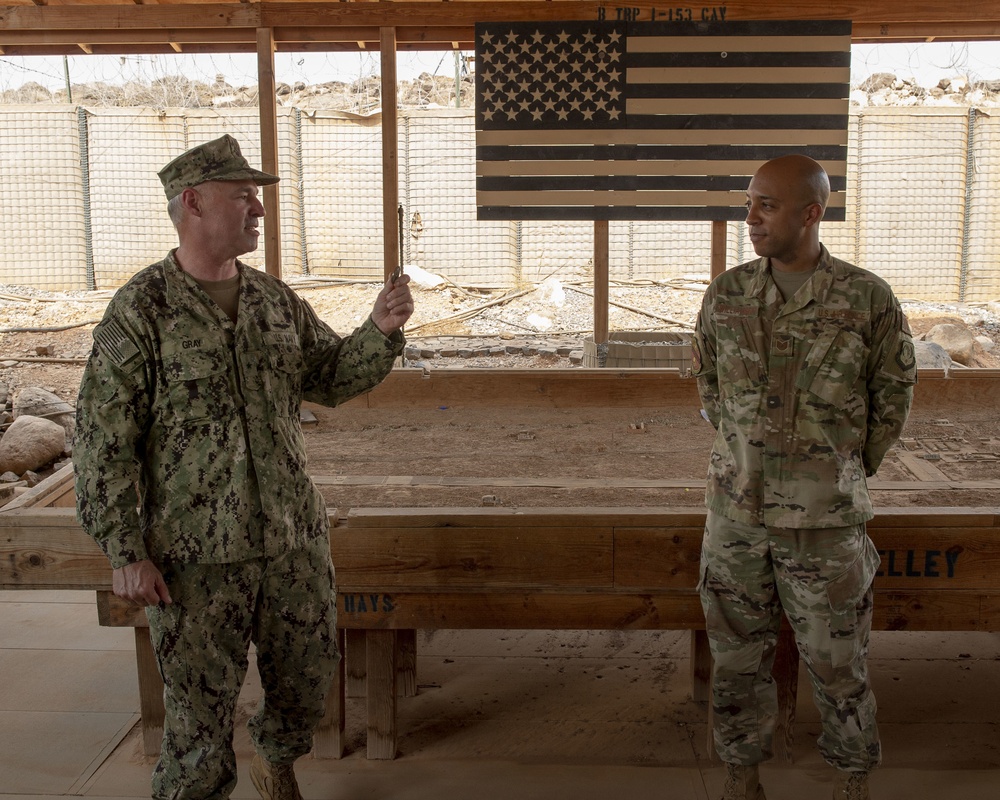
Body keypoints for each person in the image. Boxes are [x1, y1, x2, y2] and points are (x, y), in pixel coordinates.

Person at [73, 133, 413, 800]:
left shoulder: (272, 300)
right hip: (195, 560)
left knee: (308, 679)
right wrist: (124, 549)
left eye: (258, 198)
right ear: (193, 203)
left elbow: (331, 377)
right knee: (198, 723)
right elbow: (102, 440)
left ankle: (276, 759)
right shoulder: (141, 310)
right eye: (243, 197)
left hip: (291, 542)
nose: (258, 209)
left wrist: (378, 329)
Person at [691, 155, 916, 800]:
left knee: (839, 665)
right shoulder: (728, 294)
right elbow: (709, 388)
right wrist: (747, 458)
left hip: (825, 525)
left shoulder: (865, 299)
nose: (751, 216)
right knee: (735, 663)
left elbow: (893, 396)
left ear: (811, 213)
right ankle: (742, 779)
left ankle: (852, 781)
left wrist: (841, 470)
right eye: (750, 201)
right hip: (736, 518)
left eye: (766, 204)